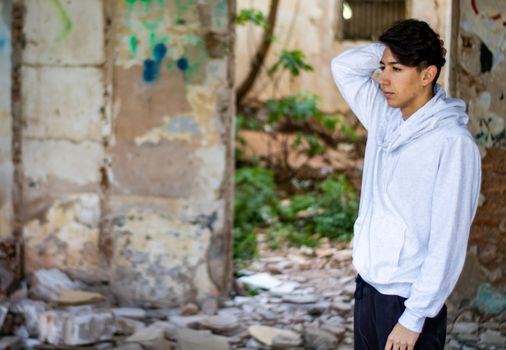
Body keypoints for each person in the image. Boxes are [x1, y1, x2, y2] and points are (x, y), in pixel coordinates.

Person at [330, 19, 481, 350]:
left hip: (406, 303)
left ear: (427, 75)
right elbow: (342, 67)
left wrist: (413, 318)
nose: (383, 78)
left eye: (396, 68)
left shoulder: (452, 144)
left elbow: (449, 240)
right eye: (383, 67)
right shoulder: (384, 116)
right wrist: (387, 50)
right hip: (368, 289)